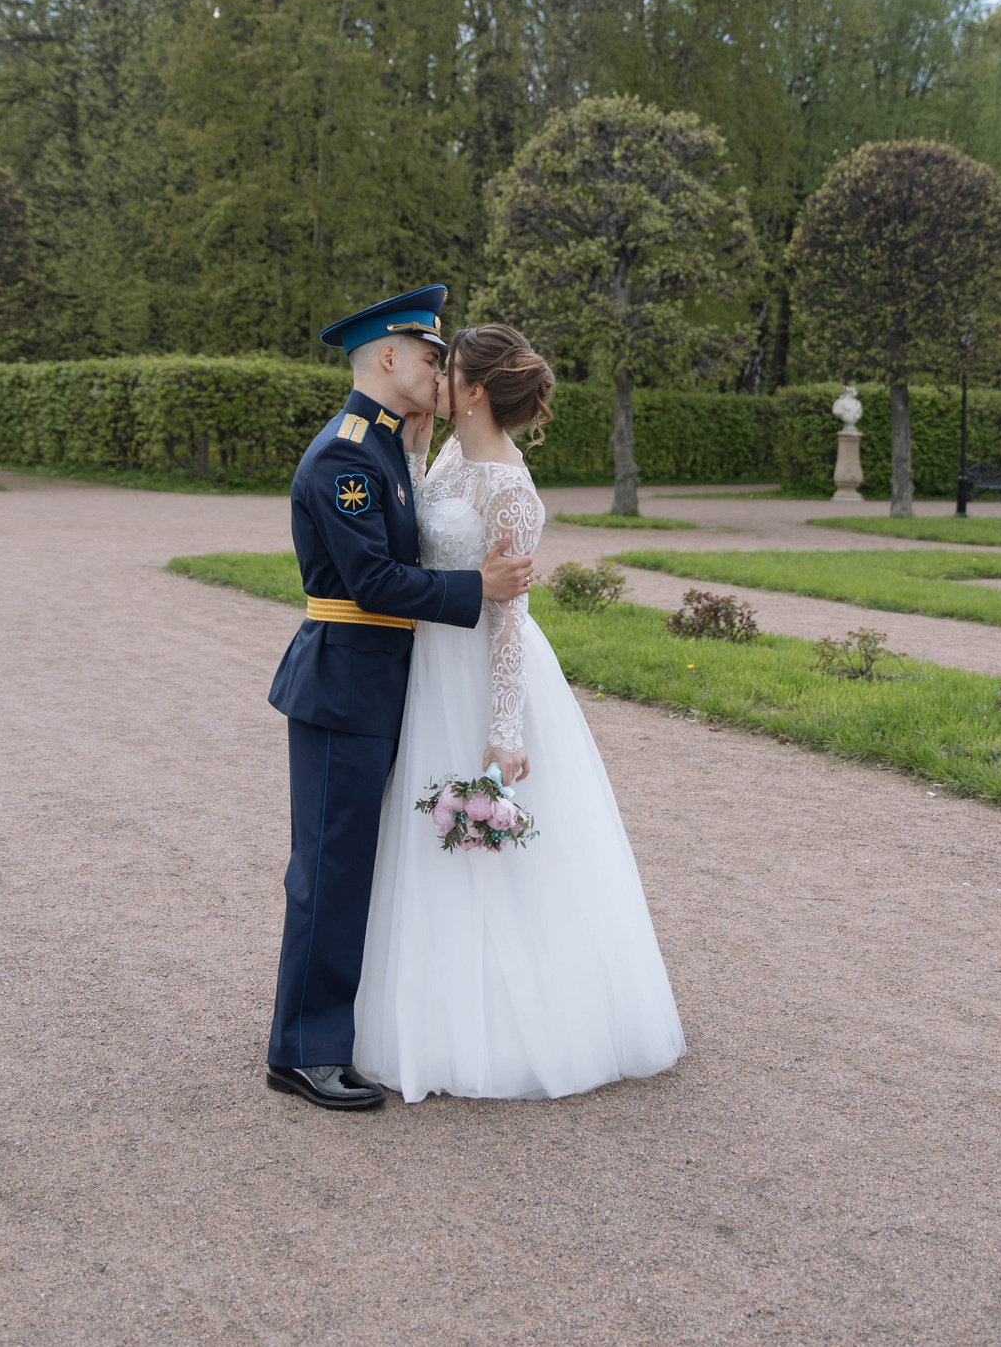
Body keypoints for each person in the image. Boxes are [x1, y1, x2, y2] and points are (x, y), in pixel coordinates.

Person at [353, 322, 686, 1103]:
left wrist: (505, 730)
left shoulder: (510, 487)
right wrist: (412, 448)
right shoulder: (442, 454)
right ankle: (421, 1005)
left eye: (448, 369)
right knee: (419, 838)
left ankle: (507, 1025)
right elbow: (418, 538)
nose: (435, 377)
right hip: (428, 665)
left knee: (483, 854)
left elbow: (511, 618)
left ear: (473, 389)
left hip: (476, 671)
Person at [263, 287, 536, 1113]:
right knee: (329, 870)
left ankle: (321, 1037)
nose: (437, 370)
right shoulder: (346, 456)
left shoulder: (389, 446)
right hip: (346, 683)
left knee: (353, 866)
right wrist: (477, 585)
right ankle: (303, 1052)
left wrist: (418, 458)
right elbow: (374, 581)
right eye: (428, 355)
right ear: (388, 357)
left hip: (377, 682)